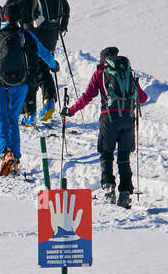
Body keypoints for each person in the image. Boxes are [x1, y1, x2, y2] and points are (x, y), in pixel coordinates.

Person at [0, 6, 58, 176]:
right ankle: (15, 158)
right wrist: (54, 65)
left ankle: (5, 154)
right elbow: (44, 53)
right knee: (13, 120)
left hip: (2, 84)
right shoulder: (27, 35)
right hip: (21, 84)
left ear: (5, 18)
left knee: (1, 120)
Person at [63, 47, 149, 207]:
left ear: (103, 60)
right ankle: (125, 193)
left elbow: (87, 96)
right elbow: (143, 98)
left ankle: (109, 187)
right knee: (124, 157)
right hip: (129, 118)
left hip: (108, 118)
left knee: (106, 153)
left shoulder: (100, 74)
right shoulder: (128, 74)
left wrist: (71, 111)